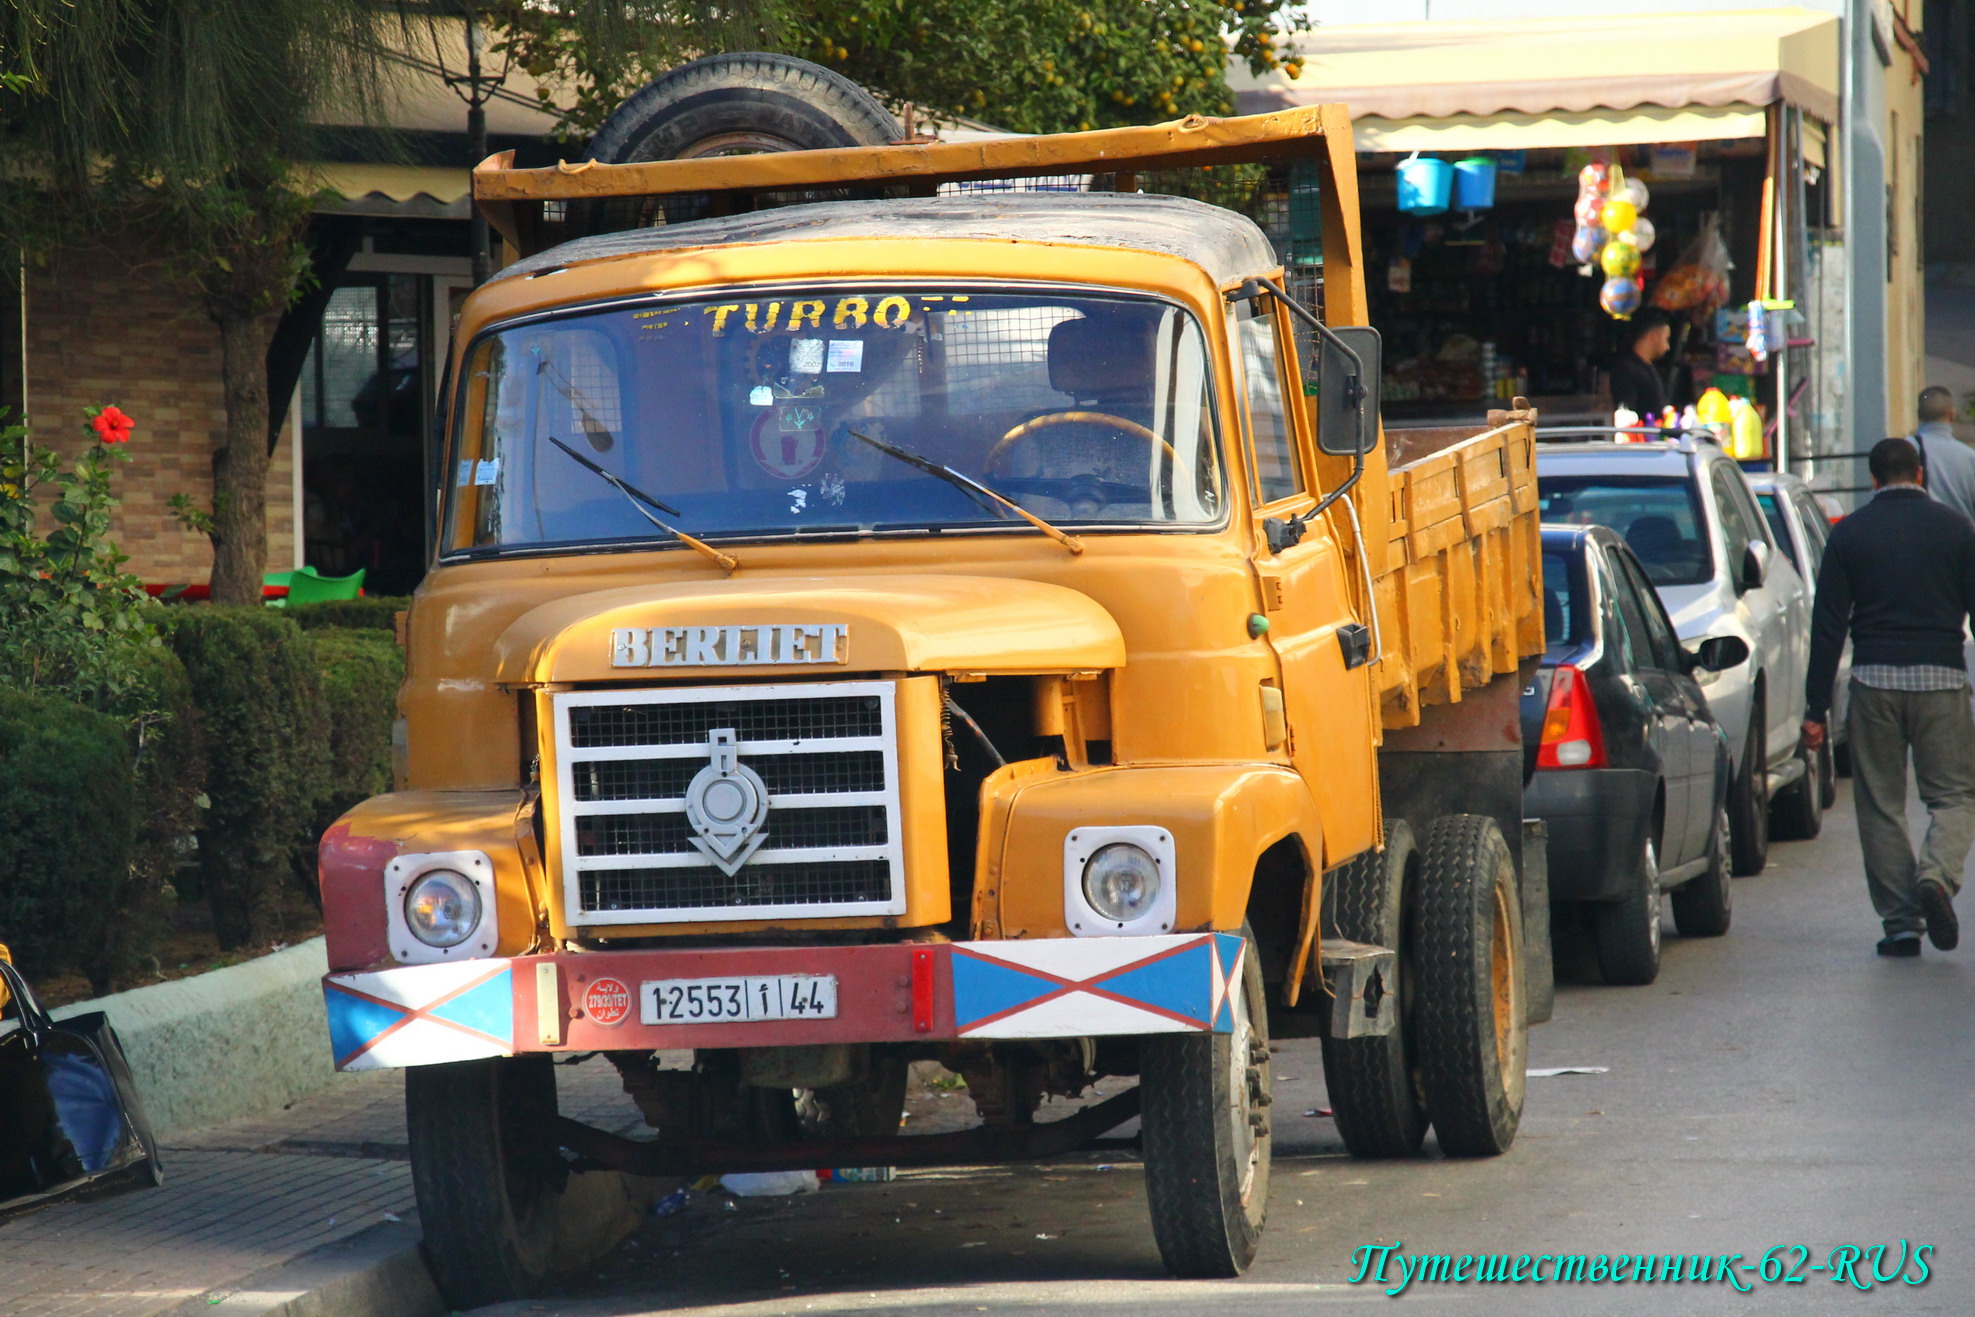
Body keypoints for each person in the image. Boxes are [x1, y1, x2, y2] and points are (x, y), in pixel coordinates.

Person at [1803, 438, 1975, 956]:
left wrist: (1815, 710)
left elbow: (1828, 626)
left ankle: (1901, 924)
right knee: (1954, 796)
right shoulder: (1957, 529)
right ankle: (1938, 878)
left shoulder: (1850, 534)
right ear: (1919, 475)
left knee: (1880, 805)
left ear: (1874, 479)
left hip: (1873, 682)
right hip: (1942, 681)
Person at [1911, 385, 1975, 524]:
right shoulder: (1970, 457)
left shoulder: (1904, 449)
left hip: (1912, 537)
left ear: (1918, 414)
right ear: (1952, 414)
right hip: (1960, 540)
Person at [1608, 308, 1672, 419]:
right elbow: (1626, 414)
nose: (1667, 347)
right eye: (1666, 339)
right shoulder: (1626, 369)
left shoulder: (1649, 367)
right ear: (1654, 336)